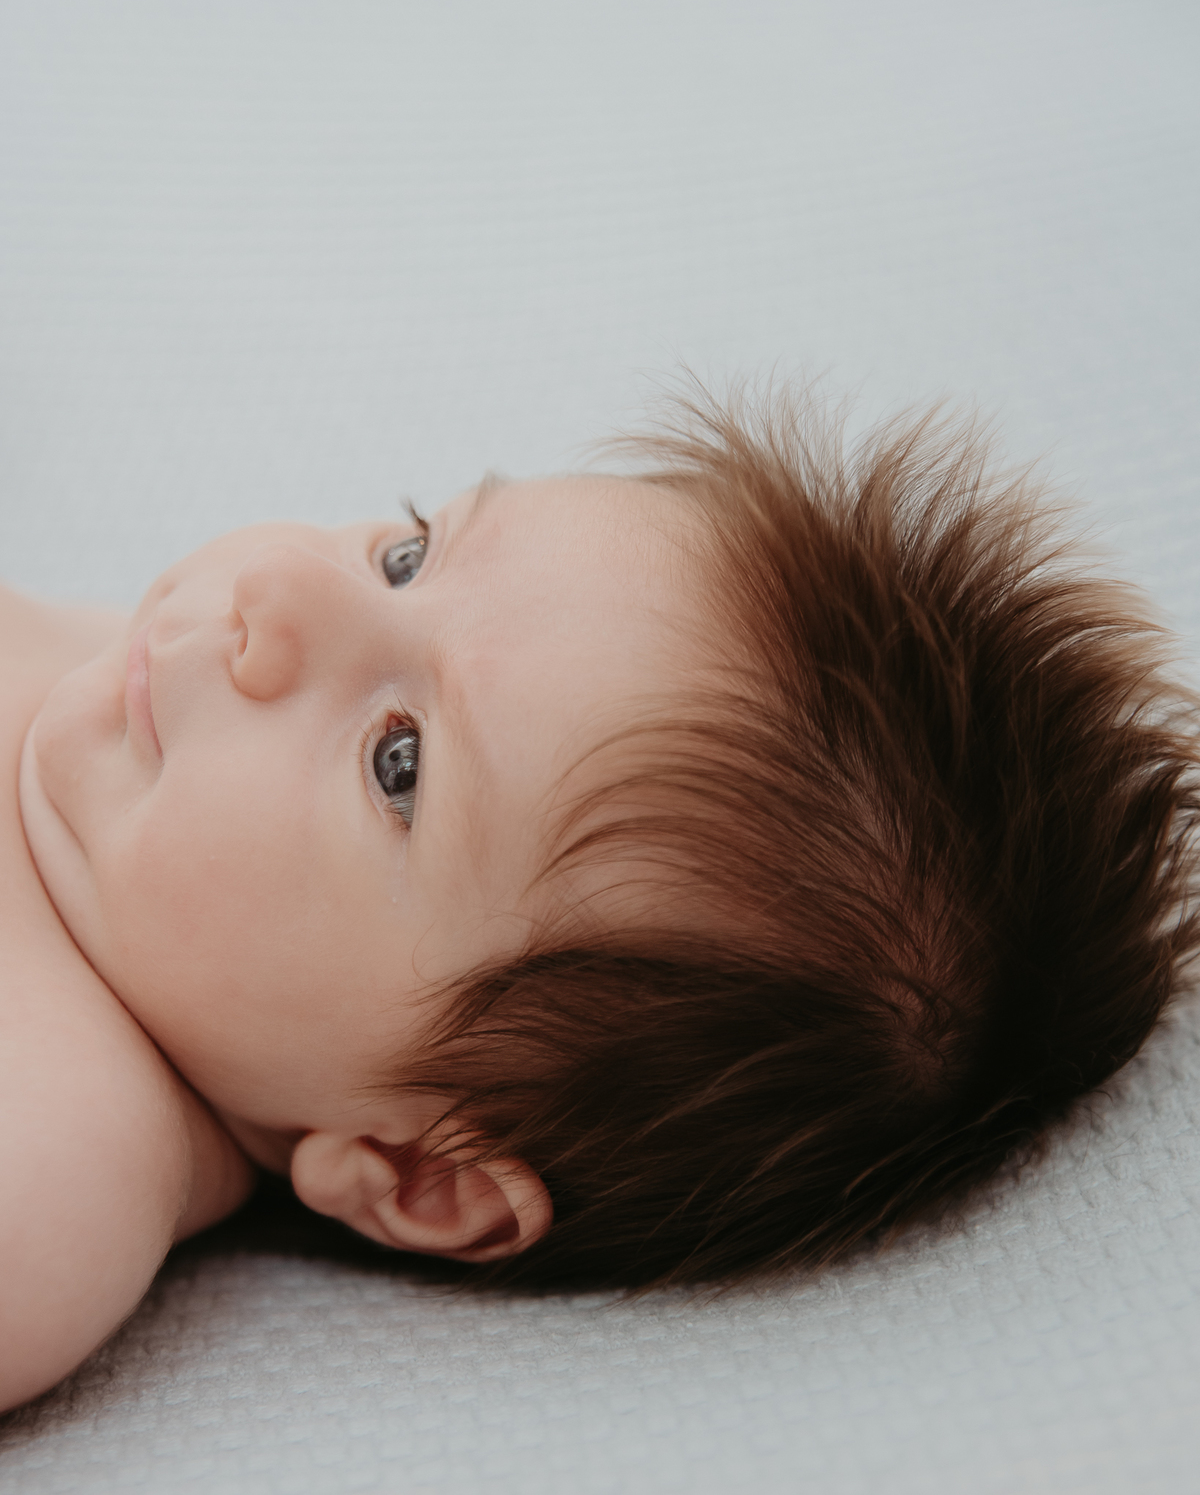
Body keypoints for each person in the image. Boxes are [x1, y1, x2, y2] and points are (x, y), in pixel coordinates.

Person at [4, 384, 1198, 1413]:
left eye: (398, 763)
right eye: (407, 556)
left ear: (425, 1173)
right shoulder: (131, 696)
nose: (275, 591)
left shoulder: (58, 1167)